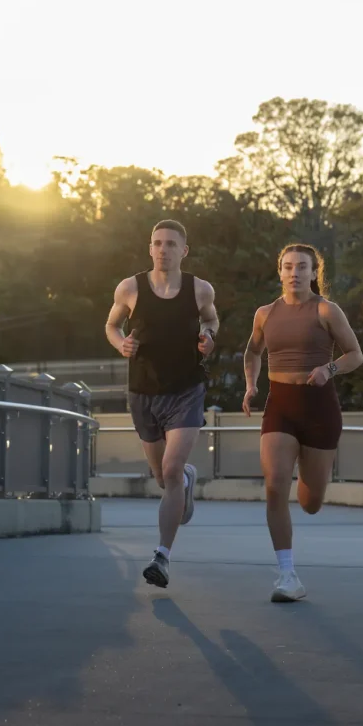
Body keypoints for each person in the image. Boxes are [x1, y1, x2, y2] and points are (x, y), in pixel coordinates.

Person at [242, 243, 363, 602]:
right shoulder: (264, 314)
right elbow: (252, 351)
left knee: (310, 502)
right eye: (288, 266)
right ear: (279, 271)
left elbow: (355, 354)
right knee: (275, 486)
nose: (294, 272)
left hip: (320, 409)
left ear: (314, 273)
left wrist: (329, 369)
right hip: (280, 406)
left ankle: (309, 475)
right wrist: (251, 385)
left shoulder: (326, 310)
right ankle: (287, 575)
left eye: (302, 267)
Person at [105, 219, 219, 588]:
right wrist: (121, 343)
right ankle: (183, 481)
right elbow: (111, 326)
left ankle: (162, 557)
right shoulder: (130, 287)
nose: (163, 249)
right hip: (143, 393)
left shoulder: (199, 290)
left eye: (171, 243)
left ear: (184, 251)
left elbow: (212, 321)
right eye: (157, 243)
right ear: (149, 248)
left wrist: (209, 338)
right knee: (162, 476)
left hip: (186, 390)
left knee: (170, 470)